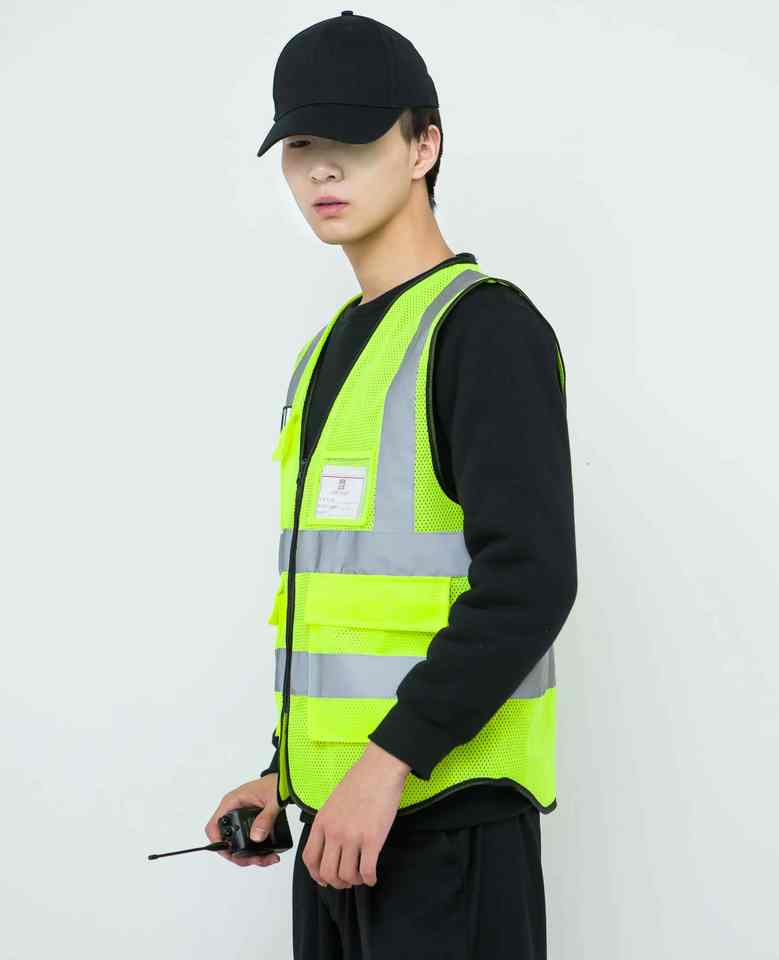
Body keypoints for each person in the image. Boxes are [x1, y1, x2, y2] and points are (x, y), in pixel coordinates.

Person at [205, 11, 577, 959]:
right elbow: (346, 610)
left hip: (446, 831)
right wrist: (284, 770)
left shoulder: (482, 330)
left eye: (354, 140)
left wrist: (388, 762)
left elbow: (529, 583)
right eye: (300, 146)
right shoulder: (327, 352)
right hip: (337, 825)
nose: (321, 170)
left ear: (423, 147)